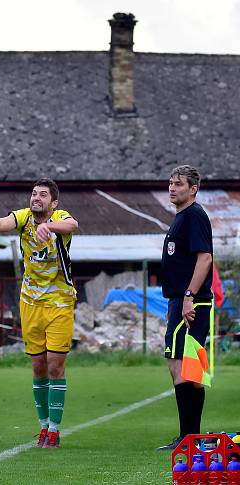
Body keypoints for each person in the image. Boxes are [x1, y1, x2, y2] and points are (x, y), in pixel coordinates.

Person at [0, 177, 78, 449]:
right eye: (33, 193)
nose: (36, 198)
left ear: (54, 203)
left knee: (55, 365)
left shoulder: (60, 218)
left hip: (60, 302)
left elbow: (73, 225)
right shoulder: (24, 218)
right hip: (30, 303)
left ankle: (54, 429)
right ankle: (42, 427)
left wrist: (49, 226)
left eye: (42, 195)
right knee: (38, 366)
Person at [156, 165, 213, 451]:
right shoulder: (182, 217)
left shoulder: (194, 216)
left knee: (183, 367)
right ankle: (192, 436)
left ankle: (189, 437)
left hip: (190, 301)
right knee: (185, 368)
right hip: (179, 300)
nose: (172, 188)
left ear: (193, 189)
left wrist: (188, 296)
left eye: (179, 184)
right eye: (170, 183)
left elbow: (204, 259)